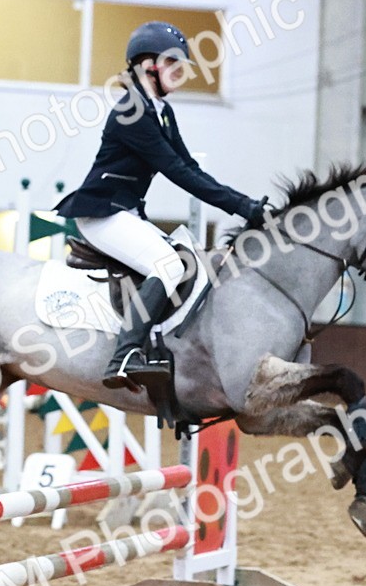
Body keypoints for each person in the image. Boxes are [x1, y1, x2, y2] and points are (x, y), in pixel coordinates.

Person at [55, 20, 269, 391]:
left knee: (184, 263)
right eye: (173, 63)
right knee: (168, 266)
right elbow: (176, 172)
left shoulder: (162, 111)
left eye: (182, 65)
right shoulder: (132, 112)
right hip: (102, 212)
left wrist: (246, 203)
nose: (181, 72)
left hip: (126, 212)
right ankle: (123, 355)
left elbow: (190, 166)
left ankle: (156, 346)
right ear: (146, 66)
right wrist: (242, 207)